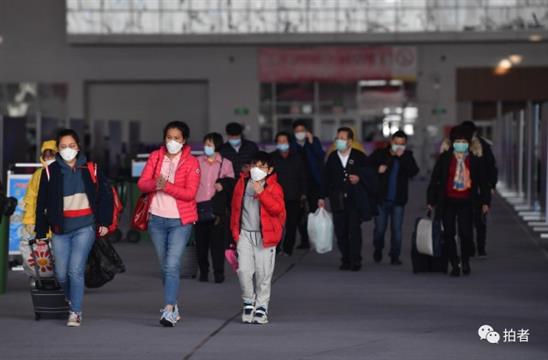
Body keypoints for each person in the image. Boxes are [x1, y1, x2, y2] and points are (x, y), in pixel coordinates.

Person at [35, 129, 113, 327]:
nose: (68, 150)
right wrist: (41, 232)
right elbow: (41, 202)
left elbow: (105, 196)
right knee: (61, 273)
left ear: (78, 147)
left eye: (71, 146)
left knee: (75, 270)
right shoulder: (50, 171)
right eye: (63, 147)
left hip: (85, 226)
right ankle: (71, 298)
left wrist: (104, 222)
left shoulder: (90, 169)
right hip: (60, 228)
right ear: (58, 149)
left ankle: (75, 311)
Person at [137, 121, 200, 327]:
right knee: (166, 267)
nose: (172, 142)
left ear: (184, 140)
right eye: (169, 137)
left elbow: (190, 193)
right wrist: (156, 183)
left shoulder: (192, 163)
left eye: (177, 138)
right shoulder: (156, 157)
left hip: (180, 221)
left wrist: (168, 186)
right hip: (156, 218)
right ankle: (173, 303)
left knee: (172, 265)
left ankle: (169, 309)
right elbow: (142, 183)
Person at [427, 125, 491, 277]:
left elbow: (483, 183)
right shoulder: (444, 159)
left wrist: (485, 202)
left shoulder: (474, 160)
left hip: (467, 202)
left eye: (463, 141)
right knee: (449, 234)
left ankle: (465, 261)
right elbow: (435, 180)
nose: (460, 143)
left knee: (466, 234)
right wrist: (430, 201)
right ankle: (454, 264)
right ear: (452, 142)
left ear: (468, 143)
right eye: (457, 141)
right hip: (448, 201)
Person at [230, 151, 286, 325]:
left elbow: (277, 209)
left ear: (269, 170)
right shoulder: (242, 183)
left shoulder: (274, 187)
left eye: (262, 166)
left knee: (263, 274)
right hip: (245, 234)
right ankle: (248, 301)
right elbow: (235, 209)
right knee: (244, 271)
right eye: (254, 165)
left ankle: (262, 306)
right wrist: (235, 234)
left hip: (265, 236)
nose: (257, 169)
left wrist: (262, 192)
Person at [318, 127, 371, 271]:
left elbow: (370, 174)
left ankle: (356, 260)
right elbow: (326, 178)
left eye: (342, 138)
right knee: (340, 231)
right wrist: (321, 196)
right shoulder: (333, 157)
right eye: (338, 138)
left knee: (354, 230)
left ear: (350, 141)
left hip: (355, 200)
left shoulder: (359, 156)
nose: (339, 141)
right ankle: (345, 258)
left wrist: (359, 178)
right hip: (337, 200)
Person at [368, 131, 419, 265]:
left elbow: (414, 171)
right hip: (381, 199)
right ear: (391, 142)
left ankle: (394, 255)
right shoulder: (380, 153)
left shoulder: (408, 156)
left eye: (402, 144)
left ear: (405, 144)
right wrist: (377, 169)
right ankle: (378, 248)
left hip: (398, 201)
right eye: (396, 143)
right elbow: (367, 166)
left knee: (397, 230)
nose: (399, 146)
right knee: (379, 229)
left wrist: (402, 158)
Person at [195, 132, 235, 283]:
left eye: (210, 144)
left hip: (217, 209)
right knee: (201, 244)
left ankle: (219, 273)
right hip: (198, 207)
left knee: (217, 245)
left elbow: (231, 183)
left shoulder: (226, 163)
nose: (207, 147)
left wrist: (222, 184)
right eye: (205, 144)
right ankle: (203, 272)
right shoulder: (197, 161)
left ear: (217, 146)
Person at [461, 120, 498, 257]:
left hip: (477, 188)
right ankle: (479, 248)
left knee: (475, 220)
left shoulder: (482, 145)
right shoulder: (464, 144)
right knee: (477, 220)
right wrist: (491, 184)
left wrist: (491, 184)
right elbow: (492, 166)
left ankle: (475, 248)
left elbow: (490, 167)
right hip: (478, 188)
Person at [270, 131, 307, 256]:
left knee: (291, 224)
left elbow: (303, 176)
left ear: (289, 143)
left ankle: (287, 248)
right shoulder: (272, 158)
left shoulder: (297, 157)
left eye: (284, 141)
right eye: (279, 141)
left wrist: (303, 193)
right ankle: (275, 248)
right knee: (276, 225)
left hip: (294, 196)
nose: (282, 144)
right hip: (276, 197)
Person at [290, 120, 325, 249]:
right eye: (297, 131)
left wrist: (310, 143)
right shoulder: (291, 144)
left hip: (313, 182)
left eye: (302, 130)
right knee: (299, 213)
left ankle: (316, 238)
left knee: (314, 211)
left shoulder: (314, 141)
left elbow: (320, 156)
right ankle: (304, 239)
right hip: (298, 183)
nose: (300, 133)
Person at [22, 140, 57, 238]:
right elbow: (31, 198)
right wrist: (30, 221)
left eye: (52, 155)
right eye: (46, 155)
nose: (49, 158)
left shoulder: (63, 173)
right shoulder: (38, 174)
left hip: (58, 226)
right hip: (41, 223)